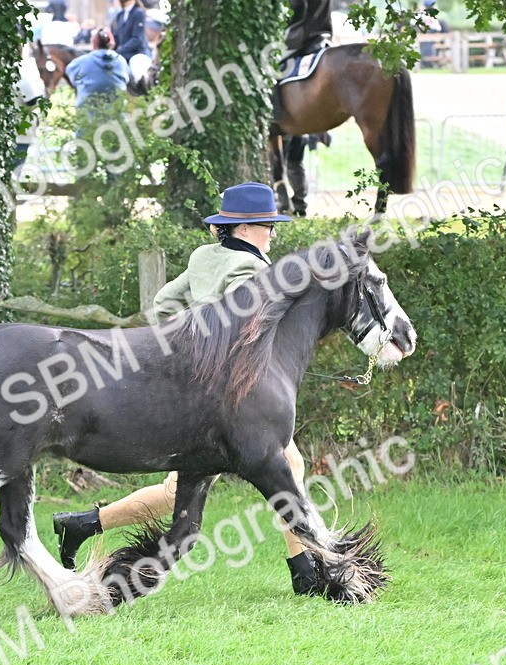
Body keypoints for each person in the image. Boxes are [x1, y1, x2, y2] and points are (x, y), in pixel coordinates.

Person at [52, 183, 321, 596]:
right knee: (288, 467)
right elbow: (248, 334)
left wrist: (185, 346)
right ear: (248, 228)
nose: (272, 233)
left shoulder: (202, 257)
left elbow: (163, 304)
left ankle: (82, 524)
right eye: (269, 225)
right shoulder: (252, 273)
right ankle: (304, 569)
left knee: (181, 489)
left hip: (194, 385)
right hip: (231, 398)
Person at [65, 29, 128, 112]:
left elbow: (70, 73)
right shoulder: (121, 61)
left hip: (88, 112)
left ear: (93, 44)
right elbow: (126, 79)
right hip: (116, 114)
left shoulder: (81, 62)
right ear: (111, 44)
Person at [111, 0, 150, 84]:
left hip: (137, 53)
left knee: (137, 72)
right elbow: (116, 38)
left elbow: (137, 39)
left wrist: (119, 51)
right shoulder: (120, 15)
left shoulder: (138, 13)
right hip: (123, 54)